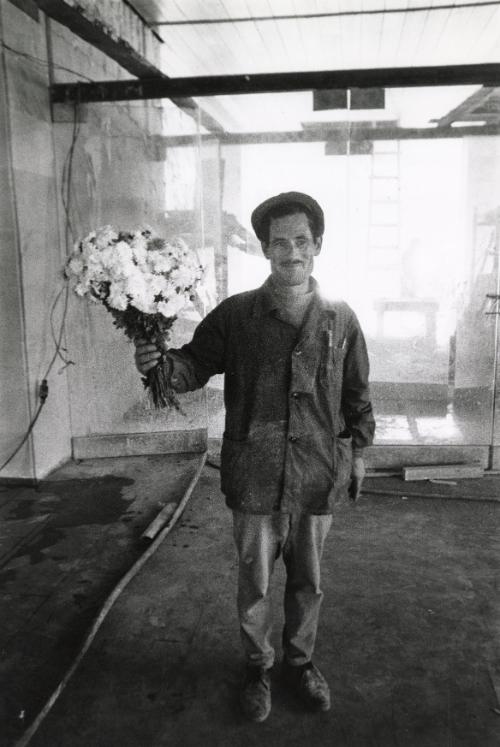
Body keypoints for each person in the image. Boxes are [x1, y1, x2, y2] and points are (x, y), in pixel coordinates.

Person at [134, 191, 375, 723]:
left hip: (316, 472)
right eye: (280, 242)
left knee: (309, 581)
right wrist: (157, 363)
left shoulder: (341, 317)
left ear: (318, 246)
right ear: (265, 249)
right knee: (256, 582)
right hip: (256, 475)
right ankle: (257, 666)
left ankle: (301, 662)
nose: (292, 252)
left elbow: (357, 394)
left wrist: (357, 454)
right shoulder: (238, 315)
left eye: (302, 241)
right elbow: (191, 368)